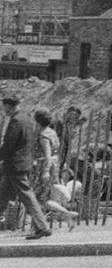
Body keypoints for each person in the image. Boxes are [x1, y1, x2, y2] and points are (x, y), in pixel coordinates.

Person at [0, 96, 52, 239]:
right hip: (20, 164)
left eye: (3, 106)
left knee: (27, 197)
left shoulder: (16, 121)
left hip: (14, 165)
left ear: (9, 106)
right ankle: (42, 227)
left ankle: (42, 227)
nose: (3, 109)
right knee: (2, 196)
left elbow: (9, 145)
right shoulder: (28, 120)